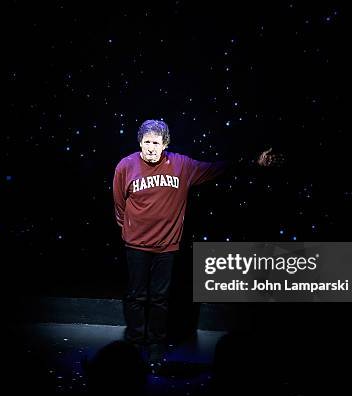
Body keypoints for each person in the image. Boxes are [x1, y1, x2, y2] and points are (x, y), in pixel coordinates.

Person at [112, 119, 279, 360]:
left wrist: (253, 161)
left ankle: (156, 344)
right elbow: (119, 204)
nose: (150, 147)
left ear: (165, 144)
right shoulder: (125, 166)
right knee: (136, 295)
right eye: (146, 142)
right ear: (139, 142)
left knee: (160, 298)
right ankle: (137, 342)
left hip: (167, 247)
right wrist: (127, 229)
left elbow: (217, 168)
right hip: (135, 245)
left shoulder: (182, 165)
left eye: (155, 143)